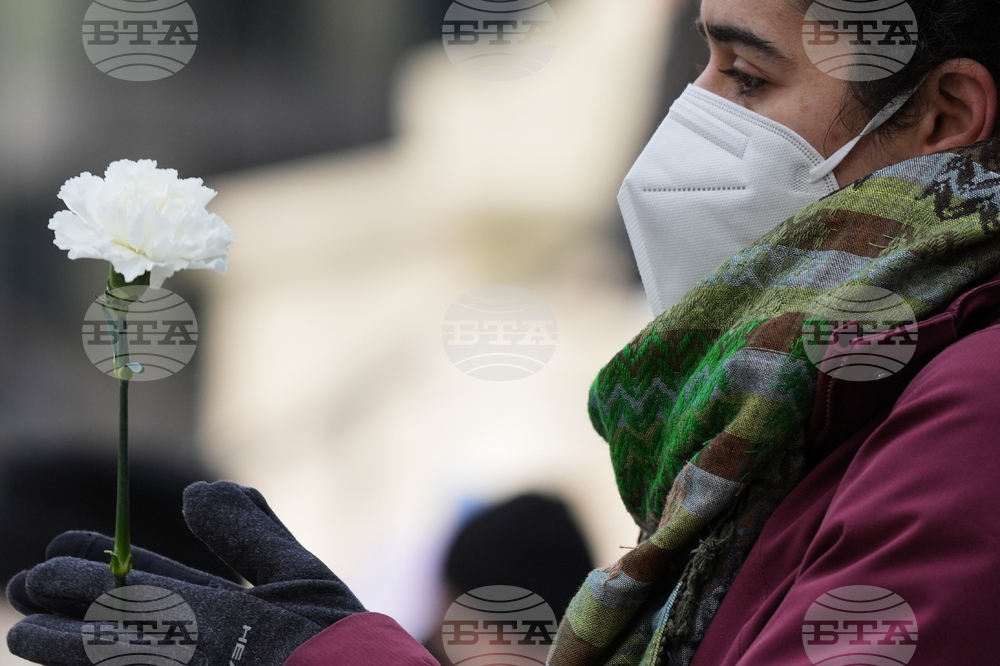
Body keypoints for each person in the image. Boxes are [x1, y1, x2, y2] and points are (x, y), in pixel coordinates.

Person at [7, 0, 1000, 664]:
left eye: (746, 77)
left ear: (946, 113)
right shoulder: (833, 405)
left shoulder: (972, 408)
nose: (689, 114)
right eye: (701, 60)